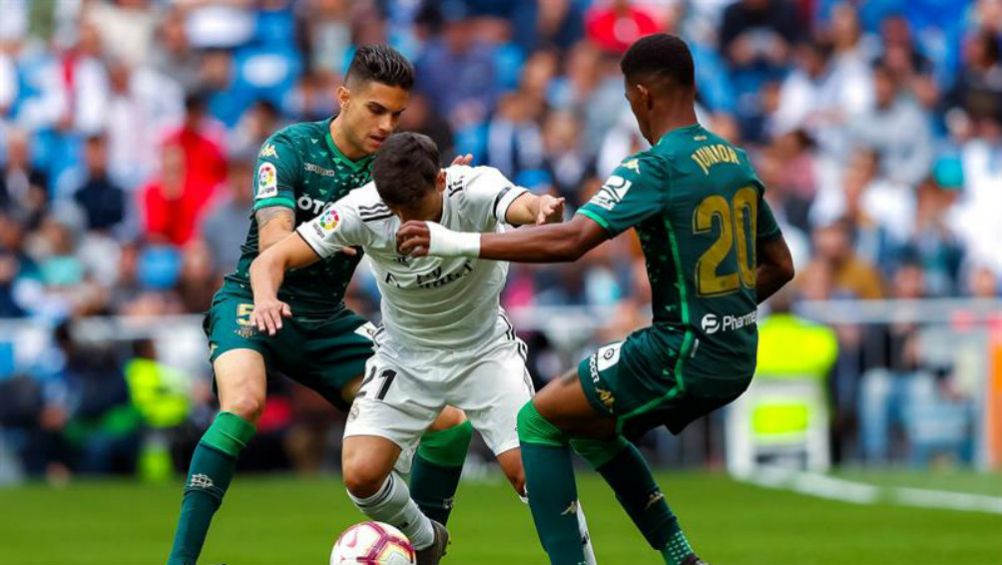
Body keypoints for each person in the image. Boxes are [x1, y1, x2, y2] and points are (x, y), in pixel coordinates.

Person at [397, 34, 796, 565]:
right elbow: (781, 265)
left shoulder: (653, 167)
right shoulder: (735, 161)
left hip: (681, 352)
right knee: (586, 419)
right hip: (737, 352)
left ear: (641, 94)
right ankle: (681, 556)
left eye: (629, 100)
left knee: (537, 420)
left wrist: (453, 239)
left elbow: (573, 240)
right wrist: (723, 314)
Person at [164, 46, 473, 565]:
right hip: (253, 301)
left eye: (397, 115)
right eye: (376, 109)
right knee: (242, 404)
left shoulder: (391, 169)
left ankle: (425, 550)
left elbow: (429, 227)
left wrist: (447, 200)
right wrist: (318, 244)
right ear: (343, 97)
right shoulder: (288, 148)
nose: (386, 125)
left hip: (326, 320)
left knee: (449, 424)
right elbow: (275, 239)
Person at [249, 132, 596, 565]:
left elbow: (520, 203)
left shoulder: (471, 186)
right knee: (361, 475)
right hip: (404, 356)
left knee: (534, 475)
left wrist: (540, 208)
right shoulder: (364, 208)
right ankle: (425, 537)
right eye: (398, 211)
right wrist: (265, 297)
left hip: (483, 350)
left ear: (440, 181)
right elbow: (270, 259)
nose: (407, 221)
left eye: (418, 209)